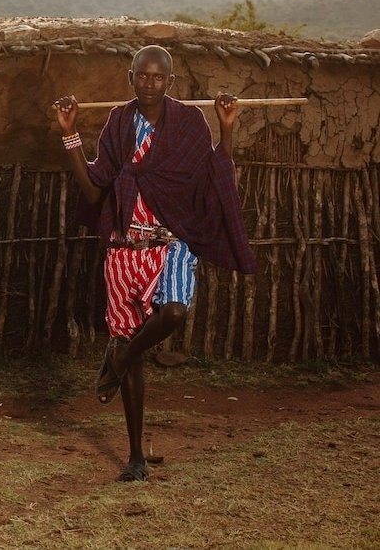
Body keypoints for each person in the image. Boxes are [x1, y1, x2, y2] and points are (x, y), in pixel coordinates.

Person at [53, 45, 256, 482]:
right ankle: (135, 457)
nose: (149, 84)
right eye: (141, 76)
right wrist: (70, 134)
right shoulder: (119, 122)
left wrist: (226, 130)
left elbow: (215, 175)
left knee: (174, 311)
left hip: (172, 242)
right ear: (130, 78)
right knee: (136, 352)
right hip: (125, 248)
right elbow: (93, 192)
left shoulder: (188, 123)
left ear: (171, 82)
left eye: (157, 77)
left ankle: (121, 354)